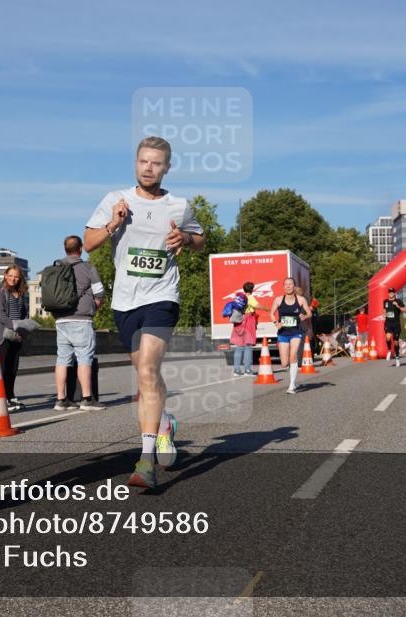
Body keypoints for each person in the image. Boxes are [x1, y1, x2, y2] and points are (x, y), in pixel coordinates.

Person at [83, 135, 205, 490]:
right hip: (125, 301)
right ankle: (164, 422)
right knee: (145, 373)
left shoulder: (179, 206)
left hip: (162, 296)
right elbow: (89, 243)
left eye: (156, 163)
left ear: (167, 168)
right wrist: (113, 224)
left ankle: (145, 460)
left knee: (149, 371)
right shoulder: (115, 200)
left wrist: (184, 237)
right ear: (136, 163)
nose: (148, 168)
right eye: (143, 161)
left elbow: (201, 241)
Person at [52, 235, 105, 412]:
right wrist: (92, 308)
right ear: (80, 249)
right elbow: (100, 294)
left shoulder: (57, 267)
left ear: (65, 249)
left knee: (62, 359)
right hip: (81, 319)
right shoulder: (88, 268)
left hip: (61, 320)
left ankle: (61, 399)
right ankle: (87, 399)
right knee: (84, 358)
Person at [0, 265, 31, 412]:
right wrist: (14, 326)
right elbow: (0, 315)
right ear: (5, 275)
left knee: (13, 368)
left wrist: (24, 326)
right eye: (11, 275)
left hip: (17, 335)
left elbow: (24, 312)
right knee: (3, 367)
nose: (13, 279)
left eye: (16, 276)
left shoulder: (20, 293)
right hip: (4, 335)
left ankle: (10, 395)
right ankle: (2, 399)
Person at [270, 277, 312, 394]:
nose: (288, 286)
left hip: (296, 331)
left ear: (294, 286)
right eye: (286, 284)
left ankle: (292, 385)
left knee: (293, 356)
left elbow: (309, 313)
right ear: (283, 287)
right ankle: (293, 376)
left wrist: (304, 316)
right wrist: (276, 323)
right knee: (284, 363)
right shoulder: (278, 300)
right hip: (283, 333)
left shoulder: (301, 299)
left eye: (290, 284)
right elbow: (271, 313)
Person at [231, 281, 267, 377]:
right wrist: (268, 309)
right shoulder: (250, 297)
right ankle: (248, 370)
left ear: (244, 289)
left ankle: (236, 370)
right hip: (248, 321)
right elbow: (257, 306)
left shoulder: (239, 298)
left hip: (239, 321)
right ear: (252, 289)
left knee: (239, 347)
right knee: (247, 346)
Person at [383, 287, 406, 367]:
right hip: (388, 323)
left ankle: (397, 358)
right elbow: (384, 310)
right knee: (388, 337)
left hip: (396, 324)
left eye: (392, 292)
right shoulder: (385, 301)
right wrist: (383, 314)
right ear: (388, 293)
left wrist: (398, 306)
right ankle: (389, 350)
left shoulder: (398, 301)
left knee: (396, 342)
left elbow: (405, 310)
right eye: (390, 292)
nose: (391, 293)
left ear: (394, 293)